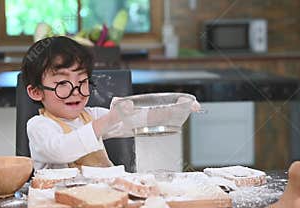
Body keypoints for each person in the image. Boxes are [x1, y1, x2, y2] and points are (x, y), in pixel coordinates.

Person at [22, 36, 201, 170]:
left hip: (103, 196)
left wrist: (174, 110)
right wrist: (109, 120)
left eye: (82, 82)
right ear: (36, 92)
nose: (75, 91)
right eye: (62, 83)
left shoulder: (91, 116)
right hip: (57, 205)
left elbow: (137, 121)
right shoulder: (39, 125)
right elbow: (61, 150)